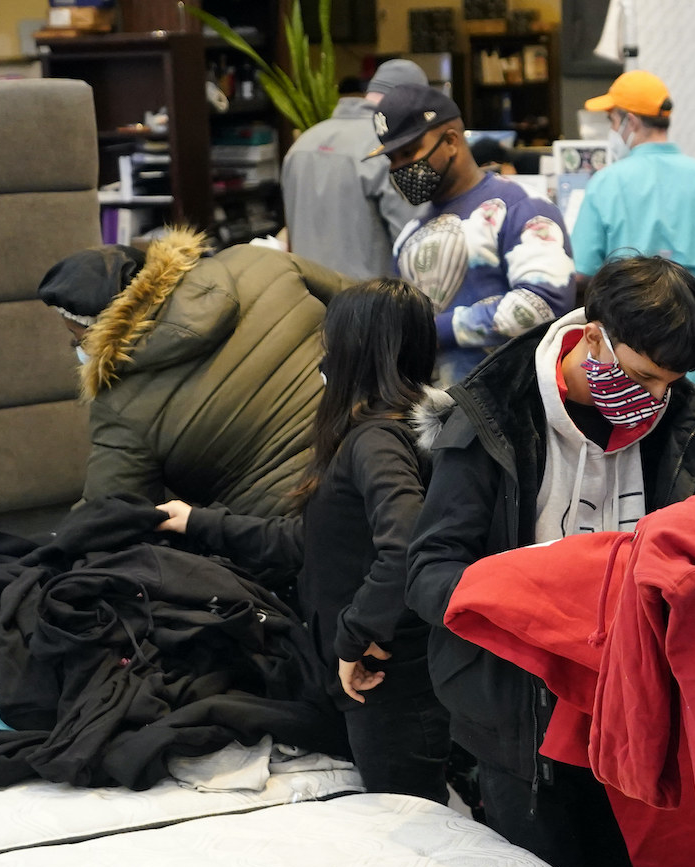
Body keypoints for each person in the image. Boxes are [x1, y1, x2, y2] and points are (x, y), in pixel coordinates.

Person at [403, 255, 695, 867]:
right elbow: (430, 570)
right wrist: (535, 597)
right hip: (521, 716)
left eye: (672, 382)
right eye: (644, 376)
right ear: (594, 336)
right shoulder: (494, 415)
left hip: (630, 710)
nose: (656, 397)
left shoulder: (675, 418)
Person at [150, 279, 450, 800]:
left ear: (355, 348)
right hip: (378, 673)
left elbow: (404, 544)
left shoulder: (376, 439)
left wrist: (356, 634)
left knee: (411, 814)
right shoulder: (393, 432)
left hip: (386, 679)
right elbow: (314, 542)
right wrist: (196, 521)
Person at [38, 227, 349, 517]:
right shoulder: (259, 261)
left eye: (78, 338)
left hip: (287, 530)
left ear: (101, 332)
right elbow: (376, 307)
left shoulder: (120, 407)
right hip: (381, 466)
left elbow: (111, 515)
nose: (76, 347)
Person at [372, 84, 577, 386]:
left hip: (512, 409)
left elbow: (544, 302)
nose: (400, 166)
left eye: (408, 152)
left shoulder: (520, 207)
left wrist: (438, 331)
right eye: (392, 158)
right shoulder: (409, 236)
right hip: (431, 416)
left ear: (451, 141)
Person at [570, 71, 695, 386]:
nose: (612, 130)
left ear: (631, 122)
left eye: (613, 120)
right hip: (691, 353)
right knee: (691, 431)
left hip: (628, 351)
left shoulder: (607, 183)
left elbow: (583, 268)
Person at [281, 60, 428, 279]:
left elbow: (291, 236)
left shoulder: (302, 144)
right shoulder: (392, 149)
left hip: (306, 304)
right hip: (371, 308)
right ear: (416, 105)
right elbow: (414, 250)